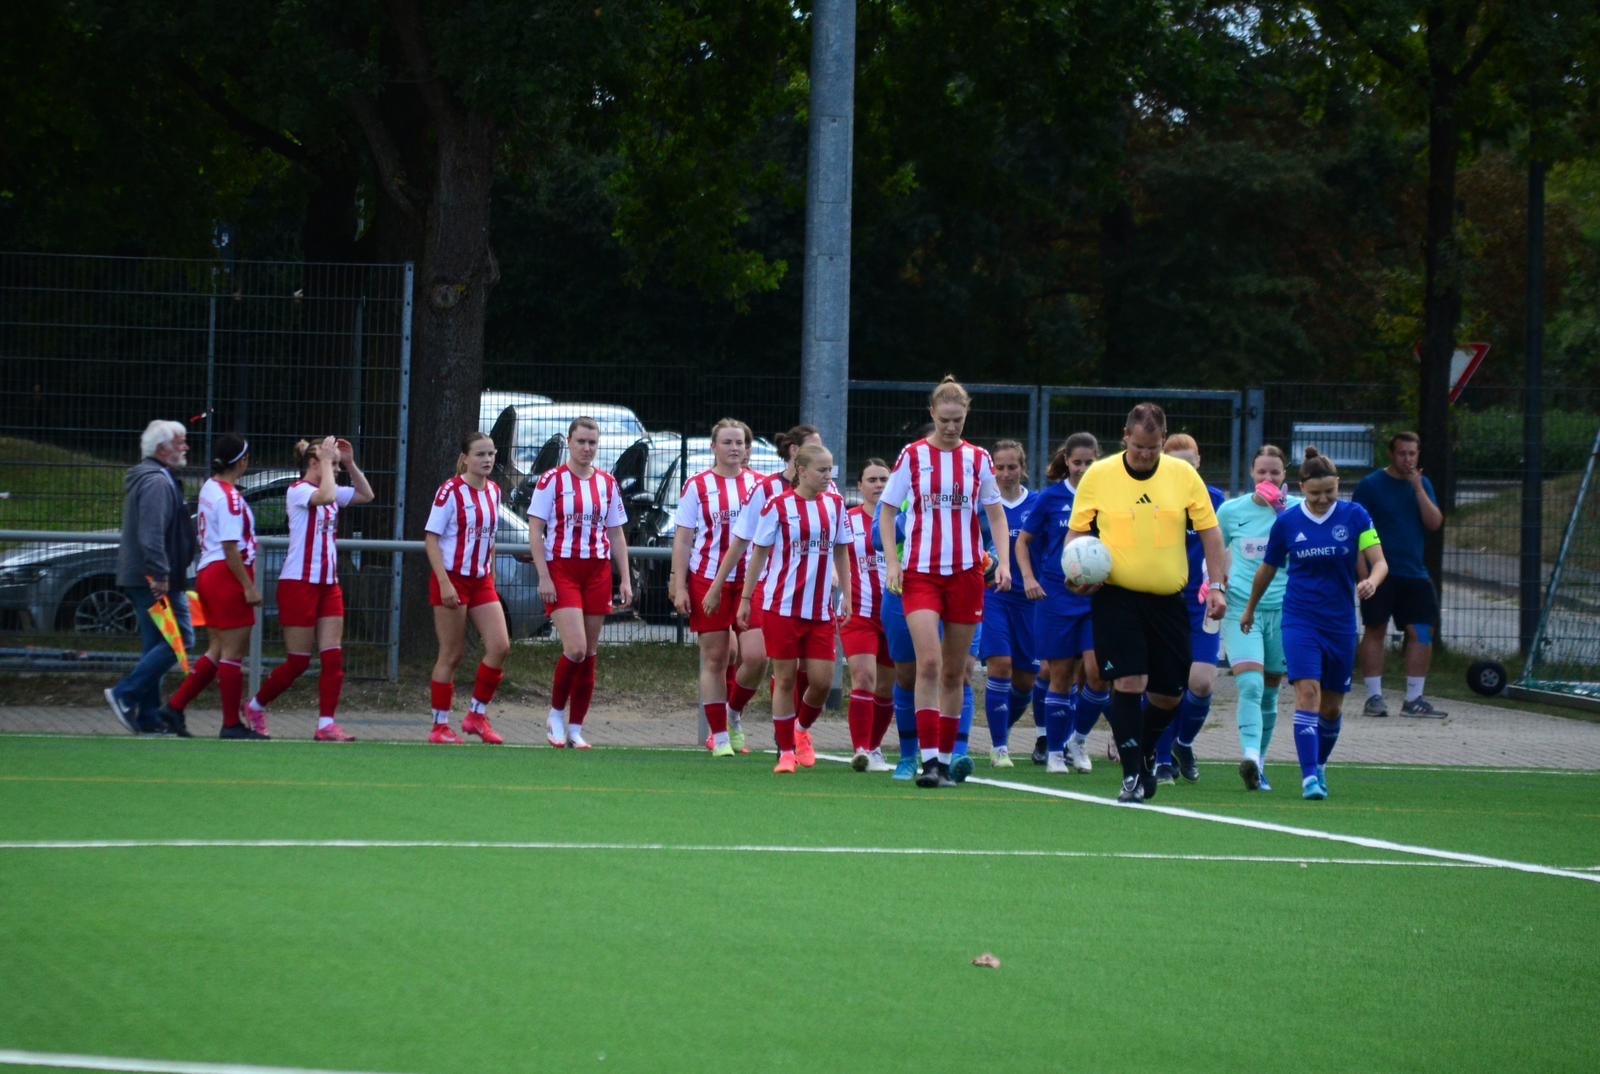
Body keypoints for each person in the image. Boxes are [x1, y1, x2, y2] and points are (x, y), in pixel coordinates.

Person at [1065, 403, 1227, 804]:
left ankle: (1147, 749)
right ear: (1125, 437)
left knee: (1169, 694)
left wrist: (1217, 586)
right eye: (1138, 447)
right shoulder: (1099, 475)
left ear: (1163, 442)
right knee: (1129, 682)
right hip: (1115, 596)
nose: (1145, 455)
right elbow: (1077, 535)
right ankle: (1132, 776)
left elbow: (1211, 533)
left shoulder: (1183, 476)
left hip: (1169, 599)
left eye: (1153, 448)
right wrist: (1074, 574)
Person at [880, 376, 1011, 789]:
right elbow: (887, 511)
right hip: (921, 573)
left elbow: (996, 515)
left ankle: (950, 759)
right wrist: (892, 563)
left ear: (966, 415)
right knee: (930, 663)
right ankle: (930, 761)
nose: (951, 427)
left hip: (966, 574)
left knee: (956, 672)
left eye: (958, 420)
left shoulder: (978, 458)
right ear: (932, 414)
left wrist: (1004, 563)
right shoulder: (913, 455)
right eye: (945, 420)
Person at [1242, 447, 1388, 800]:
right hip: (1300, 619)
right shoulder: (1287, 523)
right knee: (1308, 692)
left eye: (1330, 492)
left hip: (1339, 623)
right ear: (1301, 488)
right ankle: (1308, 777)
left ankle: (1320, 764)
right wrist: (1249, 609)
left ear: (1338, 485)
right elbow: (1267, 569)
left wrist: (1372, 581)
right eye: (1315, 493)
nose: (1323, 500)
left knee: (1332, 707)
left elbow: (1380, 562)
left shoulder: (1355, 516)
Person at [244, 435, 374, 741]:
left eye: (337, 465)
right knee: (298, 662)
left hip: (328, 584)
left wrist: (350, 463)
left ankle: (326, 724)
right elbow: (326, 496)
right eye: (331, 463)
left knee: (333, 657)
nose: (336, 469)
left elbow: (366, 494)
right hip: (299, 583)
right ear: (314, 463)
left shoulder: (328, 488)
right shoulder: (299, 490)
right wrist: (328, 463)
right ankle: (255, 705)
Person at [736, 442, 853, 774]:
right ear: (801, 471)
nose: (828, 476)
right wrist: (746, 599)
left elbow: (842, 550)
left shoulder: (835, 504)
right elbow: (759, 553)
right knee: (785, 679)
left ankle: (801, 730)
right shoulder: (778, 505)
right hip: (782, 607)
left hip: (819, 610)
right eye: (822, 470)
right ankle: (786, 751)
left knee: (822, 681)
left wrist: (847, 594)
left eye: (830, 470)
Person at [703, 424, 825, 736]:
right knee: (759, 658)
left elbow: (838, 541)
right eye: (814, 447)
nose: (821, 456)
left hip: (811, 594)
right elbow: (741, 540)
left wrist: (839, 575)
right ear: (795, 452)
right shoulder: (767, 490)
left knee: (812, 672)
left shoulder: (829, 493)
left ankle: (797, 732)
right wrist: (717, 586)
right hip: (770, 588)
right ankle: (734, 713)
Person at [530, 416, 633, 749]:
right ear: (569, 443)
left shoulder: (606, 483)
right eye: (581, 442)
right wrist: (544, 575)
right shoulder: (552, 481)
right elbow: (535, 530)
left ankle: (576, 728)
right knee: (574, 648)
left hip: (597, 571)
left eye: (592, 443)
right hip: (562, 568)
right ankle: (555, 714)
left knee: (589, 652)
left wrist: (625, 578)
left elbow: (616, 533)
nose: (587, 448)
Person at [155, 433, 261, 739]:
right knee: (233, 652)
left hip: (209, 572)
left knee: (217, 649)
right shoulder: (229, 498)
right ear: (242, 462)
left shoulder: (211, 487)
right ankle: (231, 723)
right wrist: (248, 586)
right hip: (227, 574)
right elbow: (230, 547)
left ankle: (174, 707)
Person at [1015, 433, 1110, 775]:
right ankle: (1055, 751)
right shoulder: (1051, 498)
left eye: (1089, 462)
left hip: (1098, 597)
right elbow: (1023, 542)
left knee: (1098, 675)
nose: (1083, 468)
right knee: (1060, 675)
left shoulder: (1109, 496)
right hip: (1057, 596)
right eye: (1077, 462)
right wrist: (1030, 578)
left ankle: (1078, 740)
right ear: (1066, 461)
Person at [670, 419, 759, 758]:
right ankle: (719, 735)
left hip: (751, 580)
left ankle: (733, 713)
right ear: (714, 447)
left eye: (740, 442)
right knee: (716, 656)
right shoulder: (698, 486)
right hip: (707, 579)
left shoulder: (759, 485)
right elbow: (683, 538)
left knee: (756, 656)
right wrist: (679, 584)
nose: (734, 448)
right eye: (727, 442)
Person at [105, 420, 197, 736]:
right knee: (180, 639)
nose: (186, 447)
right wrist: (160, 574)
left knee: (156, 644)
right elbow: (151, 533)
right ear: (163, 448)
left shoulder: (154, 477)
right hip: (156, 578)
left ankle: (148, 715)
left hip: (148, 575)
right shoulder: (157, 482)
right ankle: (125, 693)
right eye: (180, 442)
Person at [1215, 445, 1297, 791]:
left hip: (1285, 611)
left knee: (1270, 692)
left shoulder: (1297, 510)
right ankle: (1248, 755)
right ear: (1251, 473)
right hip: (1241, 609)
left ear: (1285, 475)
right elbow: (1214, 551)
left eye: (1275, 472)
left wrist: (1282, 513)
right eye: (1262, 472)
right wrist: (1215, 587)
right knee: (1250, 684)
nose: (1268, 478)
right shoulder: (1231, 511)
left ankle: (1259, 765)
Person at [423, 431, 512, 745]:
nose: (487, 459)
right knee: (452, 653)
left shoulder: (494, 492)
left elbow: (490, 538)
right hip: (453, 578)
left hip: (481, 580)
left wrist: (493, 574)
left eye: (491, 453)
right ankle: (439, 725)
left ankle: (477, 715)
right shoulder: (450, 491)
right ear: (465, 459)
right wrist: (444, 582)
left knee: (500, 646)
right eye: (480, 454)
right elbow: (431, 539)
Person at [1352, 431, 1446, 718]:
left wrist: (1418, 489)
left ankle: (1414, 699)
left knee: (1422, 631)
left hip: (1414, 572)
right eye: (1402, 453)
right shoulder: (1371, 485)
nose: (1407, 459)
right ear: (1392, 454)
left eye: (1412, 454)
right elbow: (1356, 531)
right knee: (1375, 629)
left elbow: (1434, 523)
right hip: (1380, 573)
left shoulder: (1422, 484)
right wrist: (1363, 575)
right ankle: (1374, 697)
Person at [1151, 433, 1226, 785]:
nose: (1183, 469)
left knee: (1202, 682)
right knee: (1165, 685)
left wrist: (1219, 585)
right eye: (1175, 463)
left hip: (1203, 604)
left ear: (1199, 462)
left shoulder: (1216, 500)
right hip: (1163, 602)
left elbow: (1224, 546)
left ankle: (1183, 743)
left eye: (1189, 462)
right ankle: (1162, 760)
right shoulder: (1152, 498)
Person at [978, 439, 1039, 768]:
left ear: (1022, 468)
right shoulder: (982, 504)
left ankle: (1004, 726)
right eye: (998, 467)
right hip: (994, 594)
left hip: (1030, 599)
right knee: (1000, 664)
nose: (1005, 473)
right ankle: (999, 746)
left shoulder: (1037, 504)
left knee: (1025, 680)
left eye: (1011, 467)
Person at [842, 457, 895, 771]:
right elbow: (833, 557)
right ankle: (860, 749)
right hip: (859, 613)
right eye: (872, 480)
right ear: (860, 485)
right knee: (864, 677)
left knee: (887, 688)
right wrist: (836, 580)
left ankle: (874, 748)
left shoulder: (903, 520)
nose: (878, 485)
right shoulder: (847, 521)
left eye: (884, 480)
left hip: (895, 614)